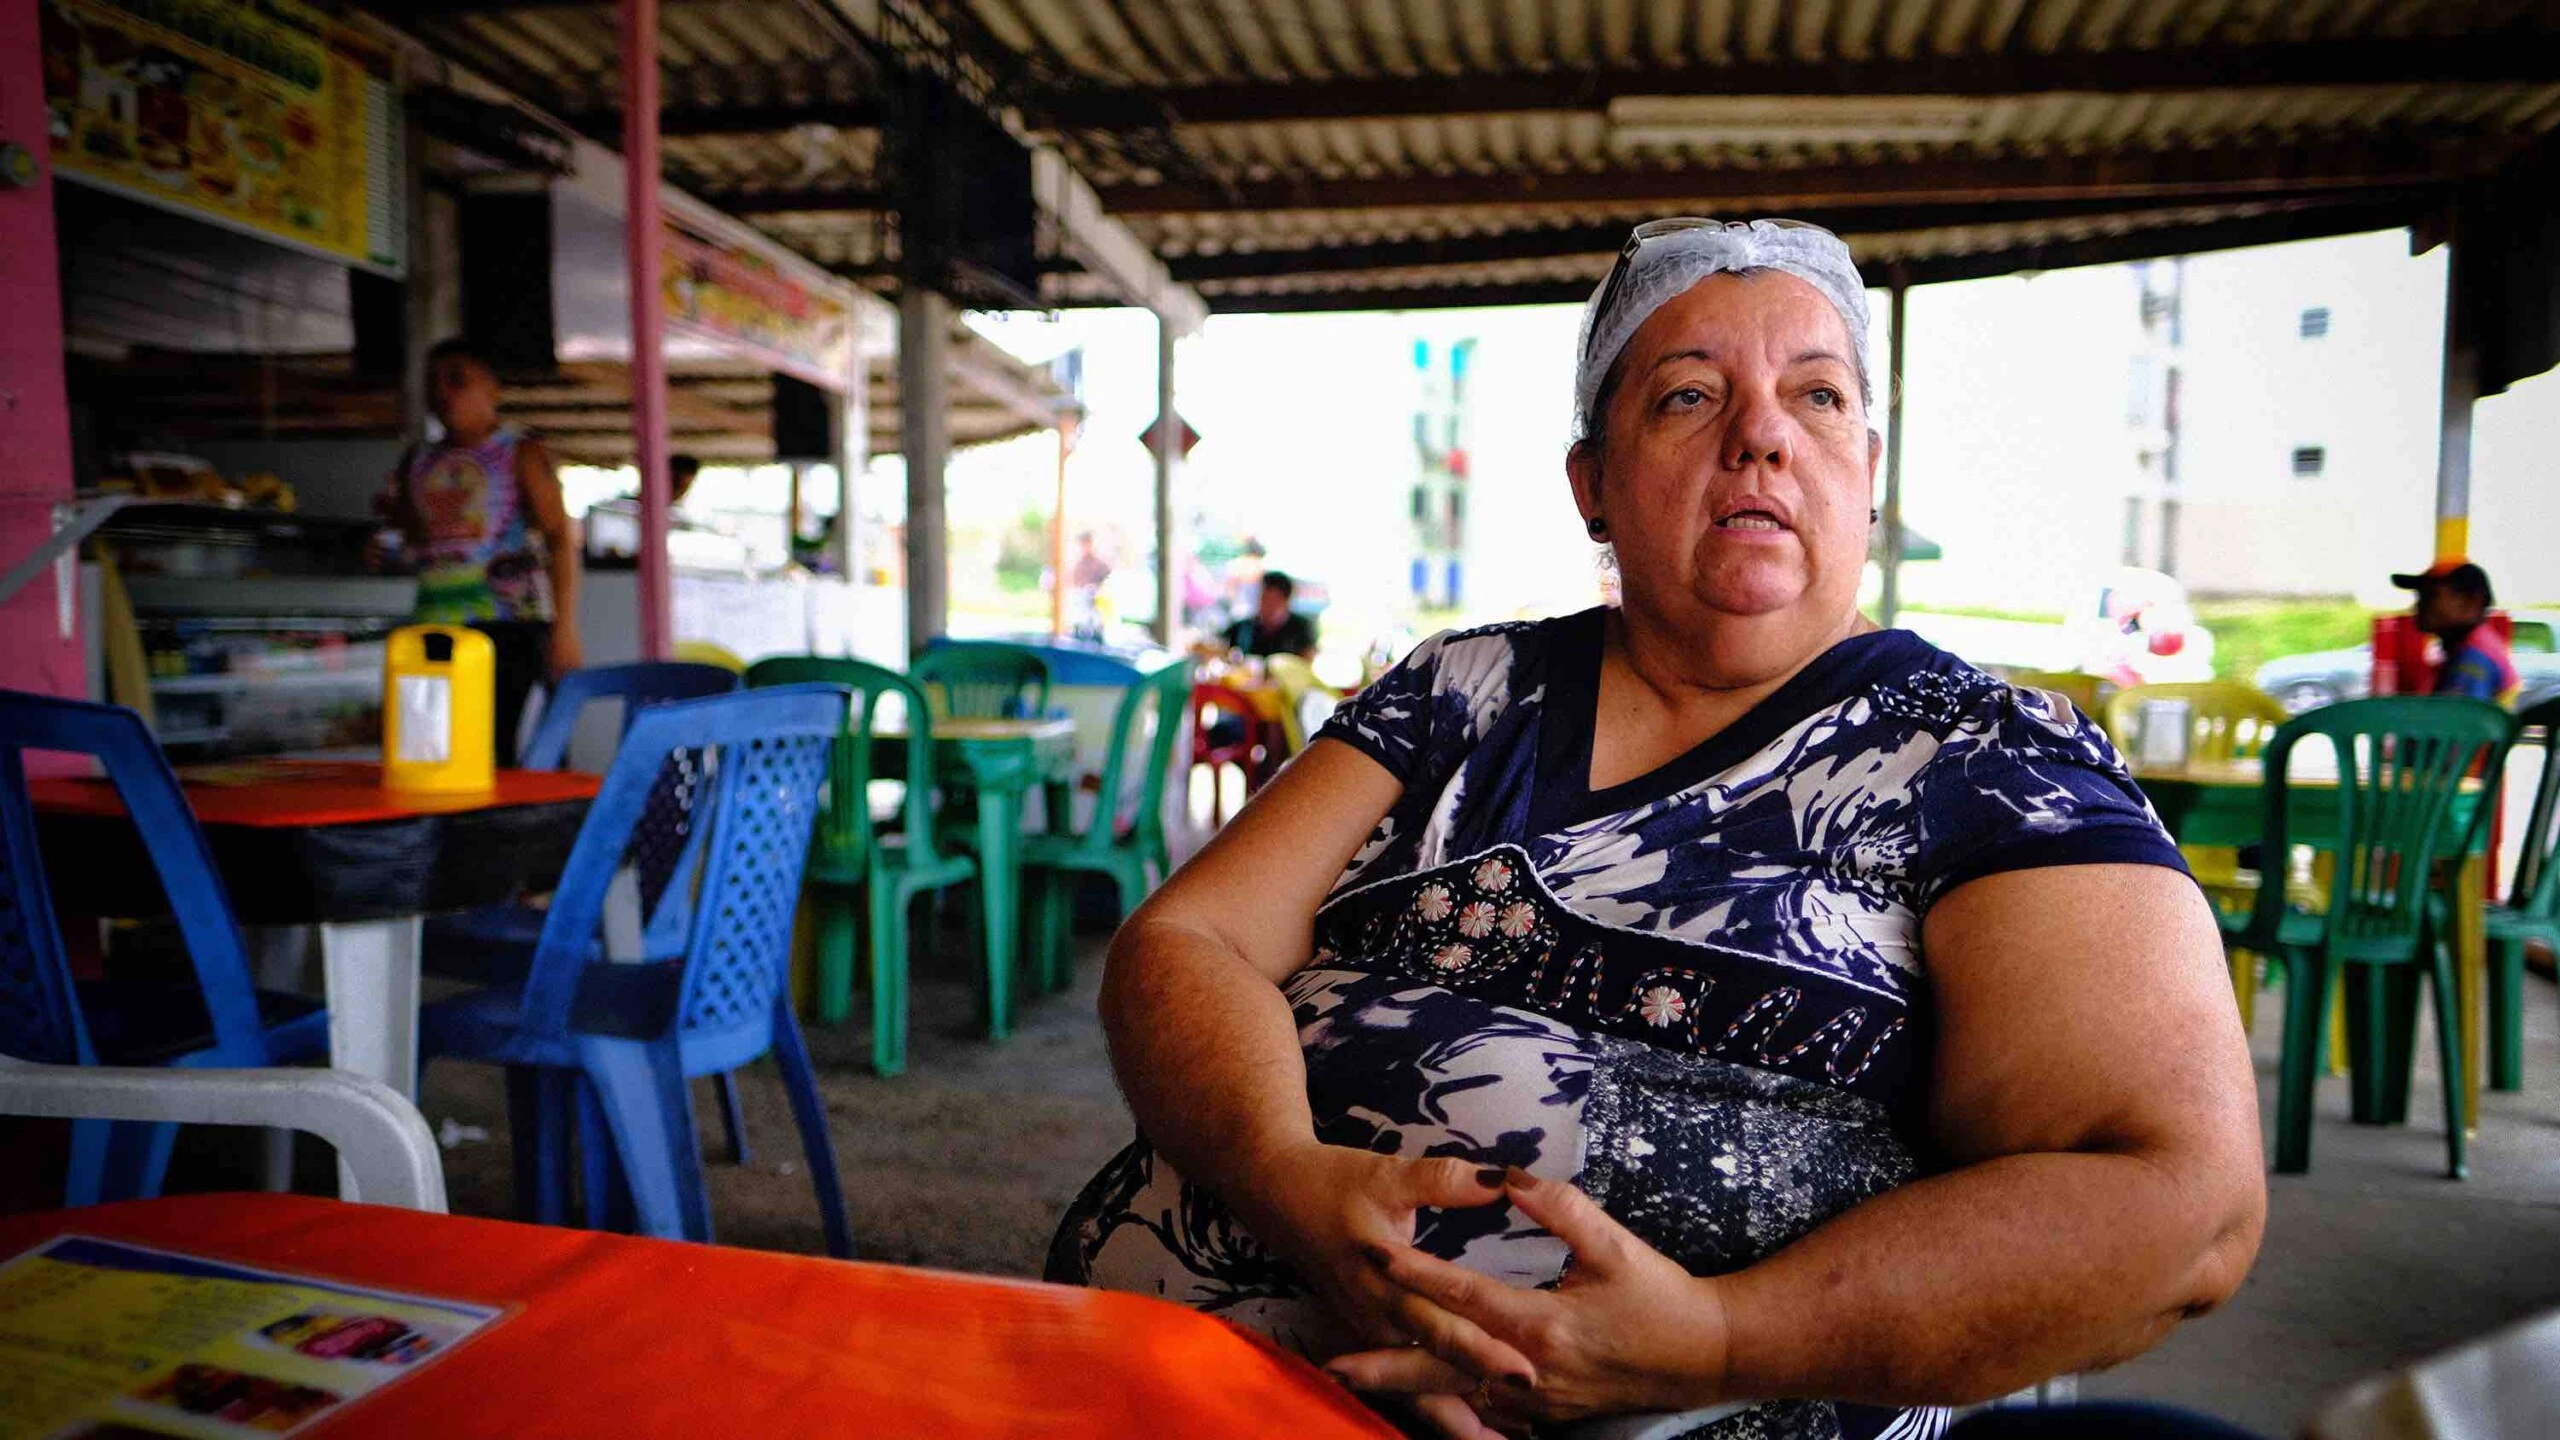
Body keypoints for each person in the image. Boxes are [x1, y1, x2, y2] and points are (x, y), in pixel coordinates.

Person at [1047, 219, 2264, 1440]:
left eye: (1817, 395)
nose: (1761, 435)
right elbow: (1186, 941)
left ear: (1869, 467)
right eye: (1688, 395)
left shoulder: (1992, 760)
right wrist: (1287, 1181)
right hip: (1193, 1375)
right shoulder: (1461, 688)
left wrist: (1722, 1342)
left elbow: (2180, 1205)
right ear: (1591, 482)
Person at [377, 337, 581, 766]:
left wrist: (565, 629)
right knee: (440, 753)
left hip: (510, 625)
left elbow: (560, 538)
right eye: (434, 383)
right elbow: (414, 539)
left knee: (516, 754)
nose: (442, 393)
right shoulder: (416, 460)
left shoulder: (520, 452)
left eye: (457, 381)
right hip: (434, 626)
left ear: (493, 389)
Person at [2395, 559, 2517, 703]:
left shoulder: (2473, 659)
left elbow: (2456, 722)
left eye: (2430, 596)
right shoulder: (2470, 645)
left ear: (2470, 602)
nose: (2417, 607)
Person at [1223, 570, 1317, 659]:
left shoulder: (1301, 629)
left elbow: (1307, 660)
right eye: (1264, 599)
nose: (1267, 606)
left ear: (1286, 601)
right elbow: (1219, 645)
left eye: (1273, 600)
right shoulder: (1243, 628)